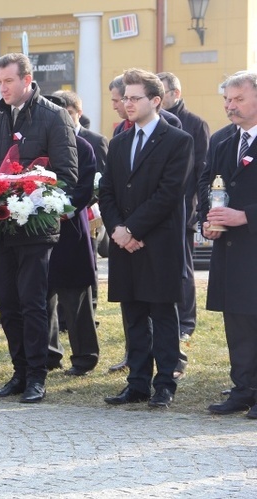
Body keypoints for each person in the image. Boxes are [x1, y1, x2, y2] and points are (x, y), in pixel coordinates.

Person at [0, 53, 78, 403]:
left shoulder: (54, 116)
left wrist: (31, 196)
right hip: (1, 226)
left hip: (36, 229)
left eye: (8, 81)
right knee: (6, 301)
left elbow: (67, 175)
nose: (3, 88)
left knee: (33, 302)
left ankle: (37, 374)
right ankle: (19, 371)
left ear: (27, 79)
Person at [99, 68, 193, 409]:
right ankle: (136, 382)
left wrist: (132, 230)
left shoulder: (178, 140)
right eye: (124, 97)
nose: (127, 104)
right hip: (125, 243)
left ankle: (164, 383)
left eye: (135, 97)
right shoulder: (120, 140)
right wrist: (118, 230)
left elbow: (168, 194)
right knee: (133, 314)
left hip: (159, 242)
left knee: (162, 315)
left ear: (156, 100)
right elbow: (107, 191)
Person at [200, 71, 257, 419]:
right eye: (226, 100)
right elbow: (207, 188)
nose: (229, 106)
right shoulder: (223, 143)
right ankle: (243, 389)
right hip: (232, 253)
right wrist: (208, 222)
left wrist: (246, 216)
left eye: (237, 99)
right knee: (237, 324)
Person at [43, 93, 100, 376]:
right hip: (38, 231)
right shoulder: (35, 143)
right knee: (42, 297)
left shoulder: (82, 146)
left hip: (70, 231)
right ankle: (49, 354)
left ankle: (85, 357)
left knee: (75, 298)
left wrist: (62, 209)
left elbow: (85, 187)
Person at [157, 71, 211, 344]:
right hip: (159, 210)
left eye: (161, 92)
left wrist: (198, 209)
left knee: (184, 267)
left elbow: (201, 171)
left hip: (184, 208)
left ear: (174, 94)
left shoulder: (195, 124)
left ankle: (186, 321)